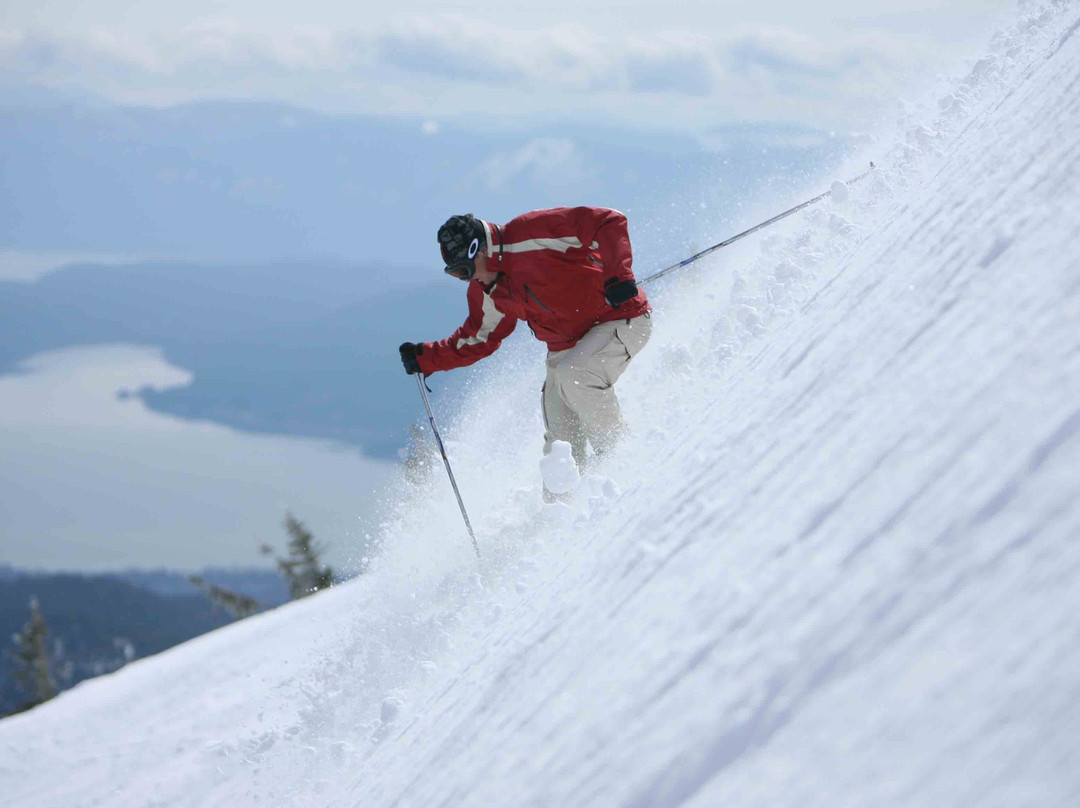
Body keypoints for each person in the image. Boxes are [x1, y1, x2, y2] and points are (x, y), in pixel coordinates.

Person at [398, 207, 652, 488]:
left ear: (479, 250)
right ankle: (565, 515)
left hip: (620, 318)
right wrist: (427, 358)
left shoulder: (530, 233)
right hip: (565, 349)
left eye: (463, 270)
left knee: (576, 376)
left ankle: (626, 463)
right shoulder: (487, 289)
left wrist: (620, 275)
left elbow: (606, 221)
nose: (467, 279)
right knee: (560, 444)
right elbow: (478, 338)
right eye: (456, 274)